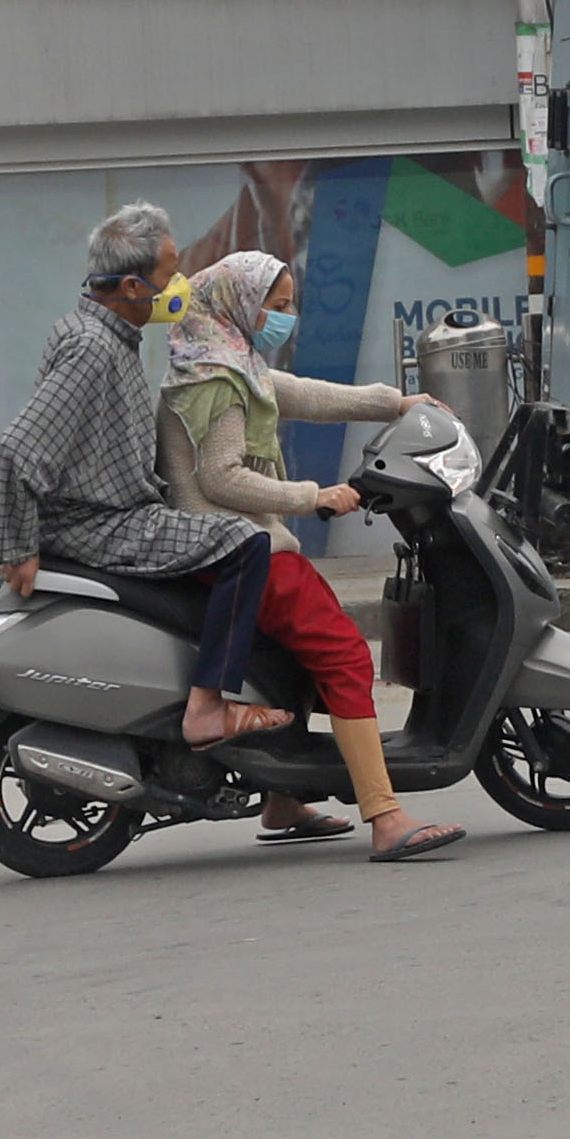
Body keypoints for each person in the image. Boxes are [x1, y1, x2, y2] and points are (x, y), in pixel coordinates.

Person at [161, 251, 459, 861]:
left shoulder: (222, 362)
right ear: (238, 303)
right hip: (243, 548)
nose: (286, 318)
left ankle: (282, 798)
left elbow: (299, 394)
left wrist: (396, 404)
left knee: (290, 660)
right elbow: (220, 479)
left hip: (236, 545)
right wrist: (312, 496)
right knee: (346, 656)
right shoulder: (214, 383)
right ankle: (385, 815)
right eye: (277, 306)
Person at [0, 205, 282, 747]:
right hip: (102, 524)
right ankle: (208, 709)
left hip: (115, 512)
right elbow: (16, 450)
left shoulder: (103, 335)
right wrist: (19, 546)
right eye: (168, 274)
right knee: (246, 543)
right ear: (130, 284)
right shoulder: (93, 348)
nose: (178, 285)